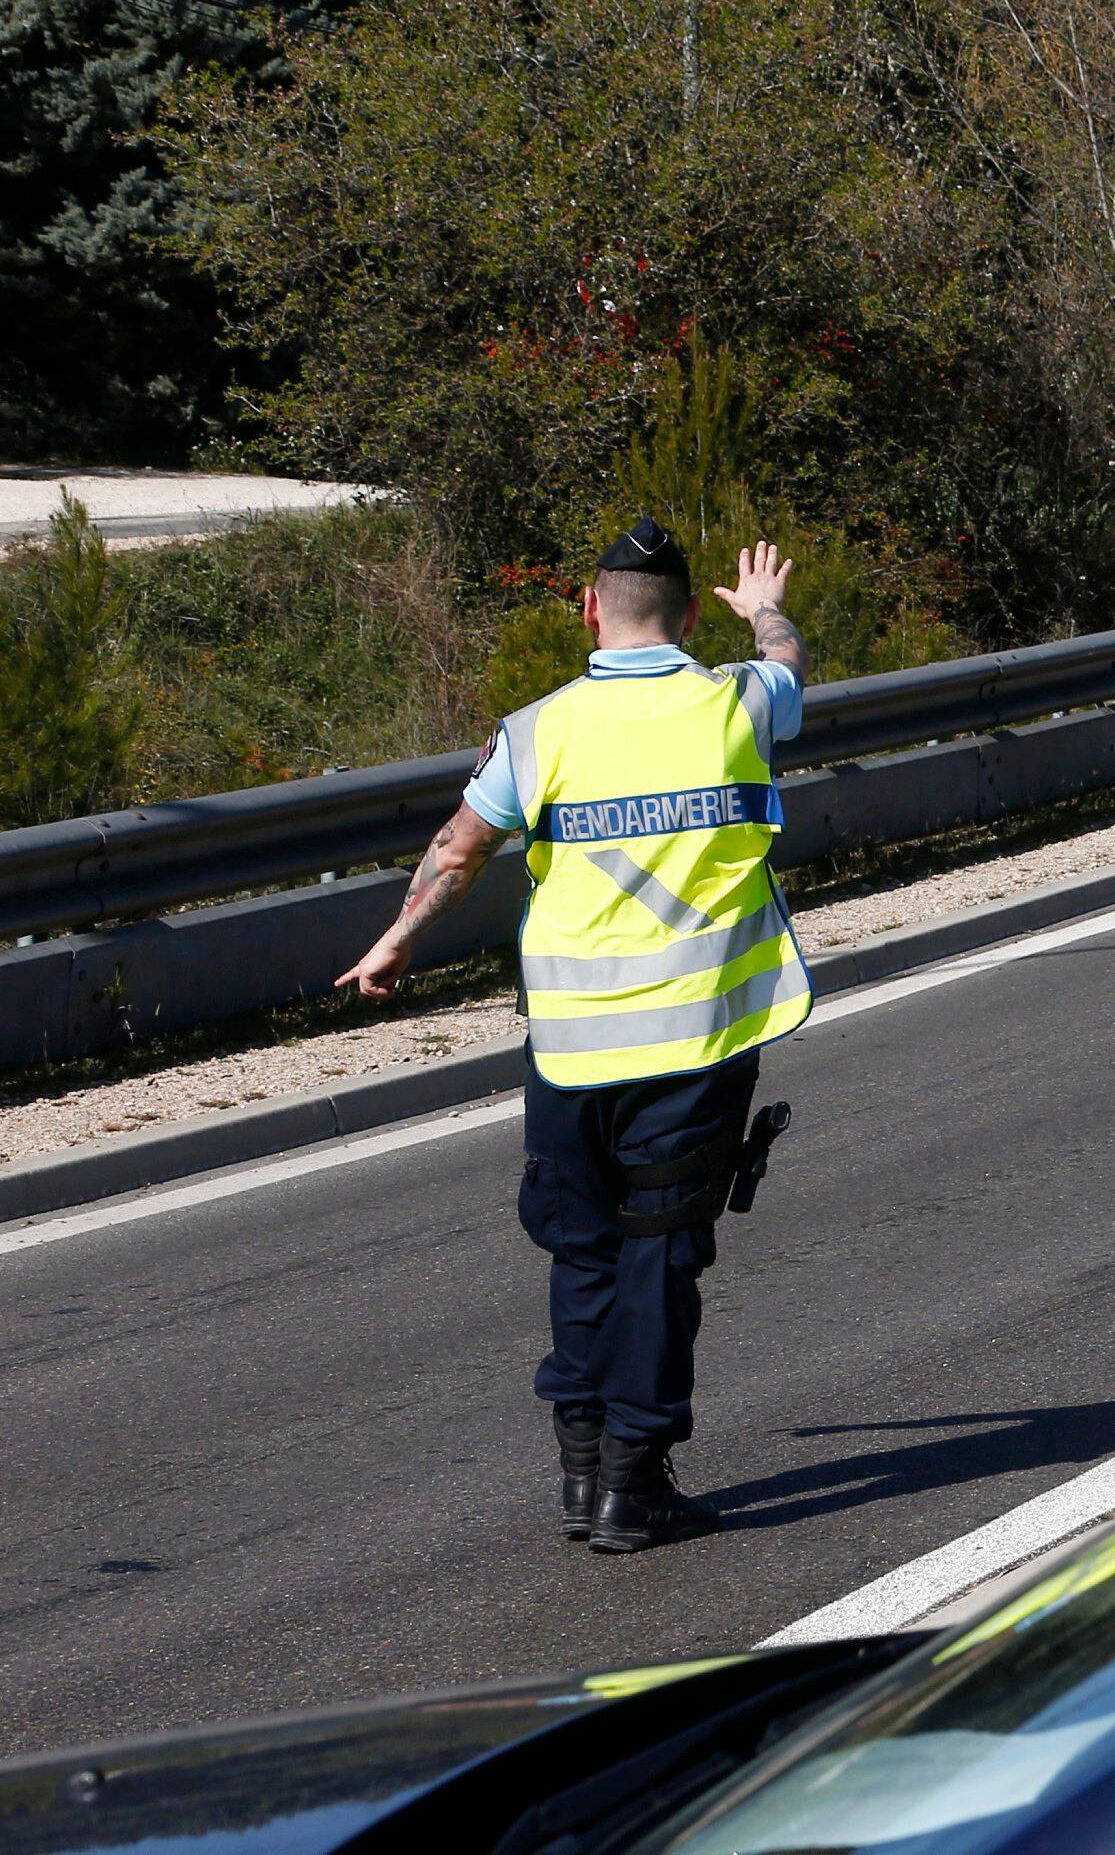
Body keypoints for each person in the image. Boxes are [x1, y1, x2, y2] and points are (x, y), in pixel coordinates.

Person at [337, 518, 813, 1554]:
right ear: (689, 617)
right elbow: (787, 656)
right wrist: (763, 605)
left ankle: (582, 1466)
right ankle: (634, 1482)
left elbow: (458, 849)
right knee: (659, 1252)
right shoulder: (740, 699)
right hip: (692, 1040)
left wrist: (395, 940)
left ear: (589, 610)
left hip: (568, 1047)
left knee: (581, 1247)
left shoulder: (535, 730)